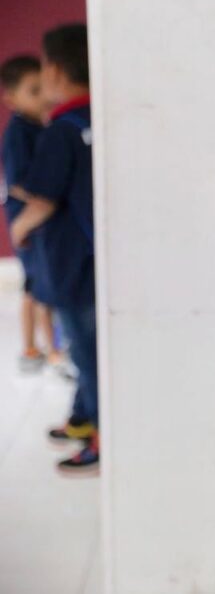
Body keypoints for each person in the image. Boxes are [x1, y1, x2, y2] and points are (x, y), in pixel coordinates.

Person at [10, 24, 99, 475]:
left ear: (56, 71)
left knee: (86, 352)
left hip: (72, 265)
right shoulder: (96, 118)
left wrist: (21, 226)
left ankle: (101, 439)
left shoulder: (62, 129)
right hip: (95, 259)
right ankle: (83, 418)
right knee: (89, 349)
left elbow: (42, 194)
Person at [1, 54, 59, 372]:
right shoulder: (18, 133)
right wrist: (47, 197)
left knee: (40, 287)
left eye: (44, 88)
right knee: (35, 288)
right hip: (28, 222)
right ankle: (36, 349)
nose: (44, 97)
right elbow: (19, 181)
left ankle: (46, 348)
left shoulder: (41, 126)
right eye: (34, 91)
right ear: (11, 98)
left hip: (39, 220)